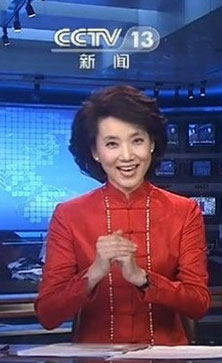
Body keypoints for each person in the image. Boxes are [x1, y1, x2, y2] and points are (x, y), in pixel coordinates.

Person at [35, 86, 211, 345]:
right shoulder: (69, 215)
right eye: (112, 144)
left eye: (137, 140)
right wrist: (94, 273)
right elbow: (48, 315)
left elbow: (199, 305)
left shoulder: (185, 212)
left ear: (152, 144)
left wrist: (142, 279)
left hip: (167, 361)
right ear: (95, 152)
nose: (127, 156)